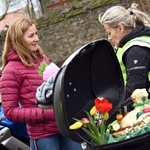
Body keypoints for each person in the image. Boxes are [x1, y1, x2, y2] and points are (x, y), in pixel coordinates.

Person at [0, 17, 82, 150]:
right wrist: (45, 114)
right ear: (18, 40)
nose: (37, 38)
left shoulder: (42, 59)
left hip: (64, 126)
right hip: (44, 136)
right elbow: (10, 112)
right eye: (31, 35)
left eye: (36, 33)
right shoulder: (11, 71)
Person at [99, 6, 150, 110]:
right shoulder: (136, 41)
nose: (109, 38)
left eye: (109, 33)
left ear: (120, 27)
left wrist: (112, 111)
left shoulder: (136, 50)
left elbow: (135, 91)